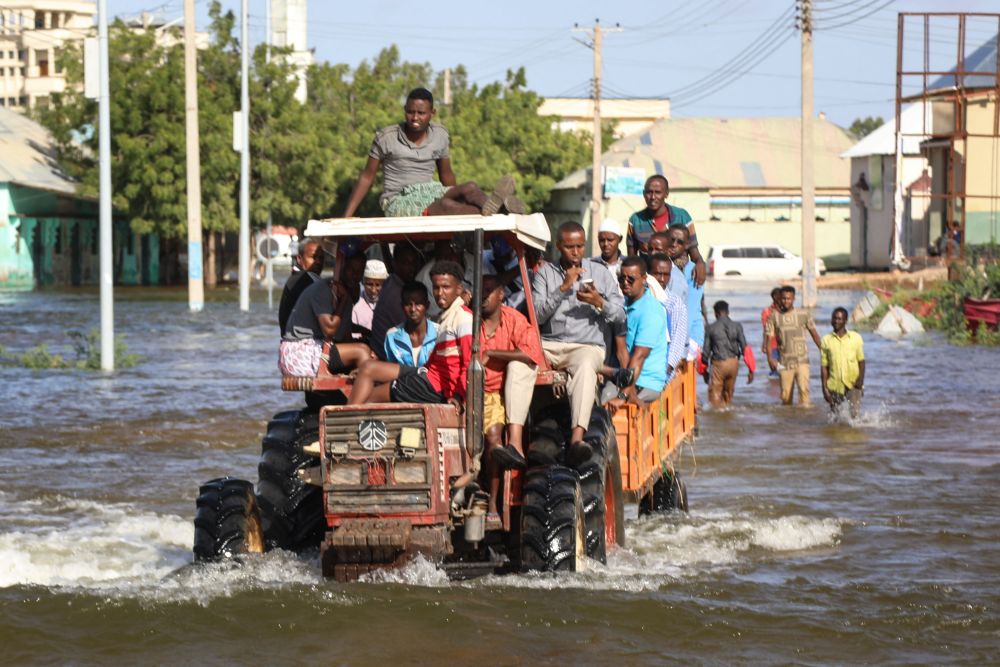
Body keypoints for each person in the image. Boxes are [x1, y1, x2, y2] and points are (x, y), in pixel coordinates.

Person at [342, 87, 522, 218]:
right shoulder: (386, 137)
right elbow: (367, 177)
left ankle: (495, 209)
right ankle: (500, 213)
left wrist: (460, 195)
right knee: (446, 205)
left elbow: (446, 174)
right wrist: (347, 216)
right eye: (410, 112)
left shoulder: (440, 135)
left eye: (421, 113)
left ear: (432, 113)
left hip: (429, 191)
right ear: (405, 111)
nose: (415, 118)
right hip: (398, 200)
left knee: (471, 187)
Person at [532, 221, 625, 463]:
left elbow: (620, 315)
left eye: (580, 246)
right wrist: (563, 287)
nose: (576, 253)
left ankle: (577, 438)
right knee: (519, 362)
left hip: (586, 346)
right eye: (570, 247)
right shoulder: (545, 273)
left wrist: (598, 302)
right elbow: (538, 316)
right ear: (558, 246)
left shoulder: (600, 273)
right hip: (550, 344)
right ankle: (513, 439)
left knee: (585, 365)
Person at [348, 261, 472, 410]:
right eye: (436, 288)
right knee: (368, 367)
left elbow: (470, 364)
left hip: (437, 386)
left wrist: (458, 395)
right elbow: (434, 362)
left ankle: (343, 424)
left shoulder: (463, 318)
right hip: (428, 376)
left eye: (446, 287)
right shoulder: (447, 317)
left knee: (371, 398)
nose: (440, 293)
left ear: (459, 289)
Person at [478, 275, 543, 516]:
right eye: (480, 291)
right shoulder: (468, 320)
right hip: (468, 391)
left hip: (496, 392)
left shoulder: (514, 319)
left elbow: (531, 355)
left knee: (494, 438)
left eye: (489, 291)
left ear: (501, 294)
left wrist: (493, 353)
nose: (483, 296)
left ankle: (493, 504)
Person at [600, 256, 668, 406]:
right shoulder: (622, 304)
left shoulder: (650, 312)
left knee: (604, 401)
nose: (625, 283)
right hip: (623, 373)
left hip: (645, 380)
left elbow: (640, 357)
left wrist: (623, 395)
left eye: (631, 279)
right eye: (621, 278)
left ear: (644, 279)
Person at [279, 277, 373, 377]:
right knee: (362, 351)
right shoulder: (324, 290)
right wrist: (344, 299)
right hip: (299, 355)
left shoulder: (343, 298)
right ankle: (365, 390)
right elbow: (330, 330)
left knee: (364, 349)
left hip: (313, 347)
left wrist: (369, 333)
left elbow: (346, 328)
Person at [627, 175, 706, 285]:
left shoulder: (682, 217)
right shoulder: (635, 221)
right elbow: (632, 260)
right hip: (649, 284)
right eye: (649, 192)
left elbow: (694, 252)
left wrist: (700, 263)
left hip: (678, 282)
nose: (653, 197)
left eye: (658, 192)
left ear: (666, 194)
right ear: (644, 194)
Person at [764, 285, 822, 406]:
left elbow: (815, 335)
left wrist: (824, 352)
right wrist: (770, 358)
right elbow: (768, 339)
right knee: (785, 397)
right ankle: (788, 422)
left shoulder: (803, 315)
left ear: (794, 298)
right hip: (784, 362)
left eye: (789, 298)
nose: (786, 301)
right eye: (784, 298)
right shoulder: (774, 317)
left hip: (802, 360)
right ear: (780, 299)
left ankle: (804, 421)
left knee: (804, 392)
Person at [369, 243, 423, 359]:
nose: (411, 268)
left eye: (413, 263)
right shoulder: (395, 294)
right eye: (405, 263)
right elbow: (414, 331)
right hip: (388, 356)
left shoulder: (392, 282)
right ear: (395, 264)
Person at [701, 300, 756, 408]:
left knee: (715, 393)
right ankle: (727, 413)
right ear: (728, 312)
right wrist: (751, 369)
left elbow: (706, 351)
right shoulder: (737, 326)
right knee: (728, 393)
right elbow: (745, 347)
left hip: (719, 364)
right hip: (734, 363)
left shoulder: (710, 328)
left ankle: (718, 417)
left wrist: (704, 371)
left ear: (716, 313)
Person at [667, 225, 706, 366]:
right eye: (671, 240)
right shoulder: (665, 268)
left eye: (679, 242)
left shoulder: (695, 271)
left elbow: (689, 311)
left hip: (689, 339)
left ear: (687, 245)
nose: (674, 245)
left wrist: (681, 346)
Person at [648, 253, 688, 380]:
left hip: (660, 372)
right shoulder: (640, 298)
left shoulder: (674, 304)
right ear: (648, 274)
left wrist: (665, 370)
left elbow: (677, 343)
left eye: (666, 274)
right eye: (657, 274)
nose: (661, 279)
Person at [820, 307, 866, 418]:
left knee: (854, 416)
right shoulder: (826, 340)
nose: (836, 321)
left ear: (845, 321)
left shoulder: (856, 338)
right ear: (831, 320)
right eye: (834, 318)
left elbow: (861, 361)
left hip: (853, 384)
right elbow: (824, 366)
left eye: (840, 319)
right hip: (834, 385)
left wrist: (860, 380)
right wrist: (825, 389)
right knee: (835, 417)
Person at [383, 281, 438, 367]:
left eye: (418, 304)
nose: (413, 309)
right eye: (408, 304)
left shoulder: (440, 334)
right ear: (402, 306)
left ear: (427, 305)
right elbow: (390, 371)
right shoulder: (392, 337)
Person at [278, 237, 323, 336]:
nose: (318, 262)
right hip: (301, 343)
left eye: (321, 258)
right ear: (299, 259)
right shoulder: (302, 280)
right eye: (313, 257)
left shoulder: (306, 278)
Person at [351, 259, 388, 340]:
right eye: (369, 284)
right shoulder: (356, 304)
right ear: (363, 282)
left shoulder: (390, 303)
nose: (373, 290)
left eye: (378, 285)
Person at [761, 287, 782, 379]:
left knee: (785, 370)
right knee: (774, 369)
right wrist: (764, 344)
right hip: (772, 344)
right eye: (777, 296)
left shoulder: (787, 310)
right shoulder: (767, 312)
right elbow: (766, 329)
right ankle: (774, 390)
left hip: (786, 344)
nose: (779, 298)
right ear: (773, 297)